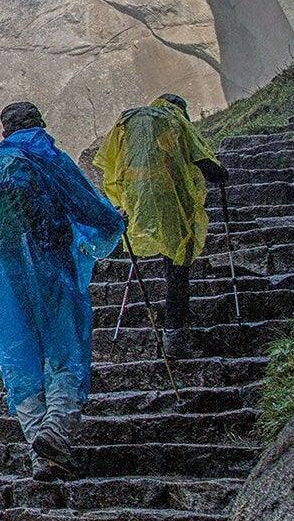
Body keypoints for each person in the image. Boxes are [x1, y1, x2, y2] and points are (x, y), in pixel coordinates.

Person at [0, 99, 127, 479]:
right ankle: (56, 430)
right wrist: (113, 224)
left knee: (22, 358)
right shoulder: (48, 158)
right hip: (53, 267)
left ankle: (42, 450)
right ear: (40, 123)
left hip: (8, 278)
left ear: (3, 132)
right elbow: (86, 205)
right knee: (65, 348)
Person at [95, 93, 230, 357]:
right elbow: (201, 159)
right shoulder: (174, 121)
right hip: (172, 202)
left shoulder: (129, 123)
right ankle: (174, 335)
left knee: (164, 254)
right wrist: (221, 174)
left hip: (138, 201)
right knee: (178, 266)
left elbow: (109, 163)